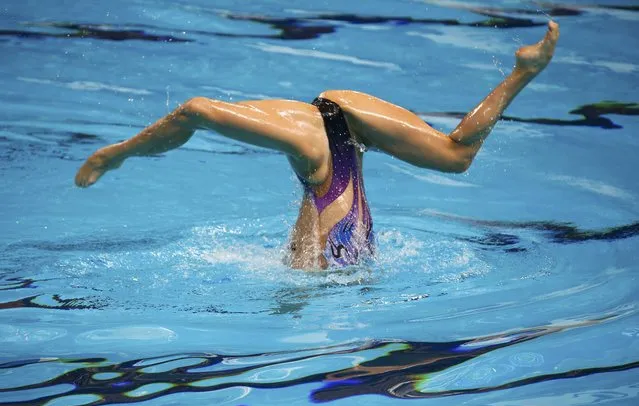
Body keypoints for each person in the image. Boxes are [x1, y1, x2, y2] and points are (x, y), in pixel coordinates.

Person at [75, 21, 560, 270]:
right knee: (458, 158)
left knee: (197, 111)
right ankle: (525, 71)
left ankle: (115, 154)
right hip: (343, 135)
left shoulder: (324, 266)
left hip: (325, 150)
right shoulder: (341, 265)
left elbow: (303, 260)